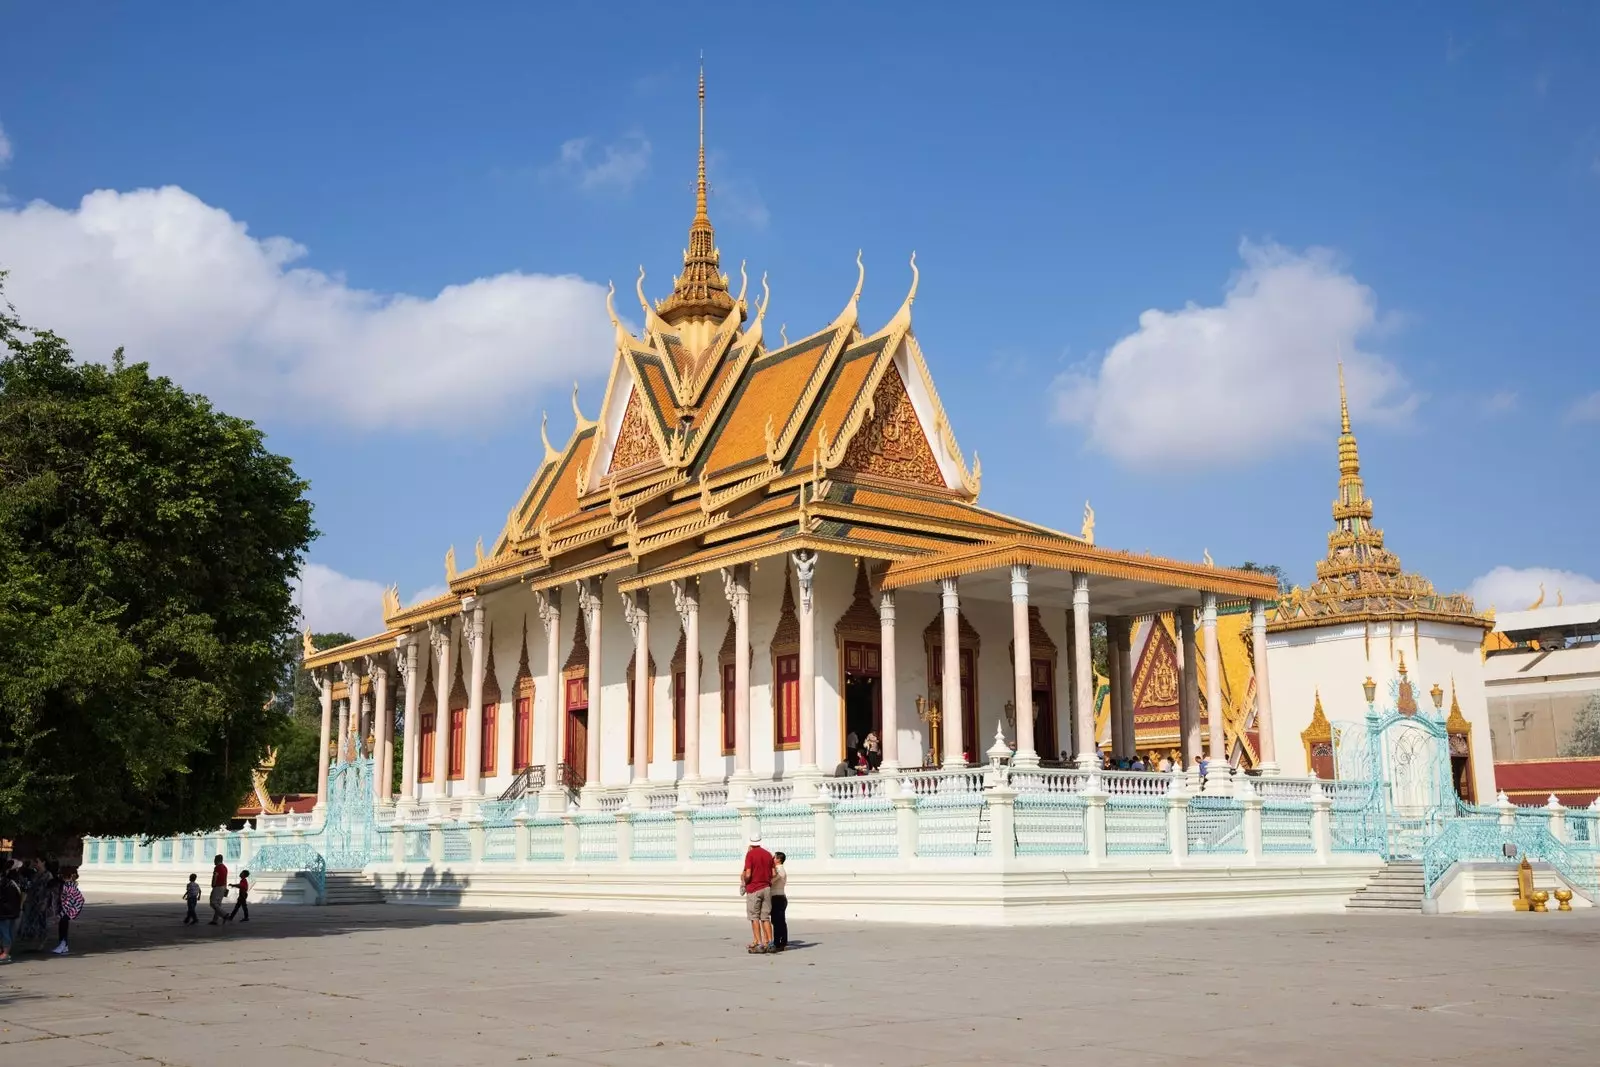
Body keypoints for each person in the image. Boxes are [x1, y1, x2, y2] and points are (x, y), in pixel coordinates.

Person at [740, 832, 776, 954]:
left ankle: (760, 944)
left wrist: (745, 881)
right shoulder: (768, 854)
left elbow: (748, 873)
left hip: (754, 888)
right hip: (766, 888)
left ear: (751, 843)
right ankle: (770, 943)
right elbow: (774, 873)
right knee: (765, 917)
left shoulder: (750, 855)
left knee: (754, 917)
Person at [54, 870, 83, 955]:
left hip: (72, 908)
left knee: (63, 924)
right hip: (68, 907)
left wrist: (60, 914)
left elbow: (68, 902)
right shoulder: (68, 885)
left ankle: (63, 944)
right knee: (62, 925)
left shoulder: (69, 887)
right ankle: (63, 945)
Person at [0, 865, 20, 963]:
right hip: (7, 912)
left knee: (5, 933)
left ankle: (6, 953)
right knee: (4, 932)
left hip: (5, 912)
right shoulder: (10, 883)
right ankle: (4, 952)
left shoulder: (5, 883)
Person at [770, 851, 789, 952]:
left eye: (774, 857)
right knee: (779, 921)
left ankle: (779, 942)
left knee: (778, 921)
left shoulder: (779, 870)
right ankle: (781, 941)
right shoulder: (780, 869)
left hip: (778, 897)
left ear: (778, 860)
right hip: (778, 897)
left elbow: (771, 880)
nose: (772, 859)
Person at [208, 854, 229, 925]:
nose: (214, 861)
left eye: (214, 860)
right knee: (218, 904)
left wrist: (213, 884)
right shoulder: (225, 867)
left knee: (213, 903)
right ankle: (215, 920)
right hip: (223, 886)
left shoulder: (217, 867)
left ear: (217, 860)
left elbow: (215, 876)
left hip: (218, 886)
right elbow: (225, 878)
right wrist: (225, 887)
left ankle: (224, 914)